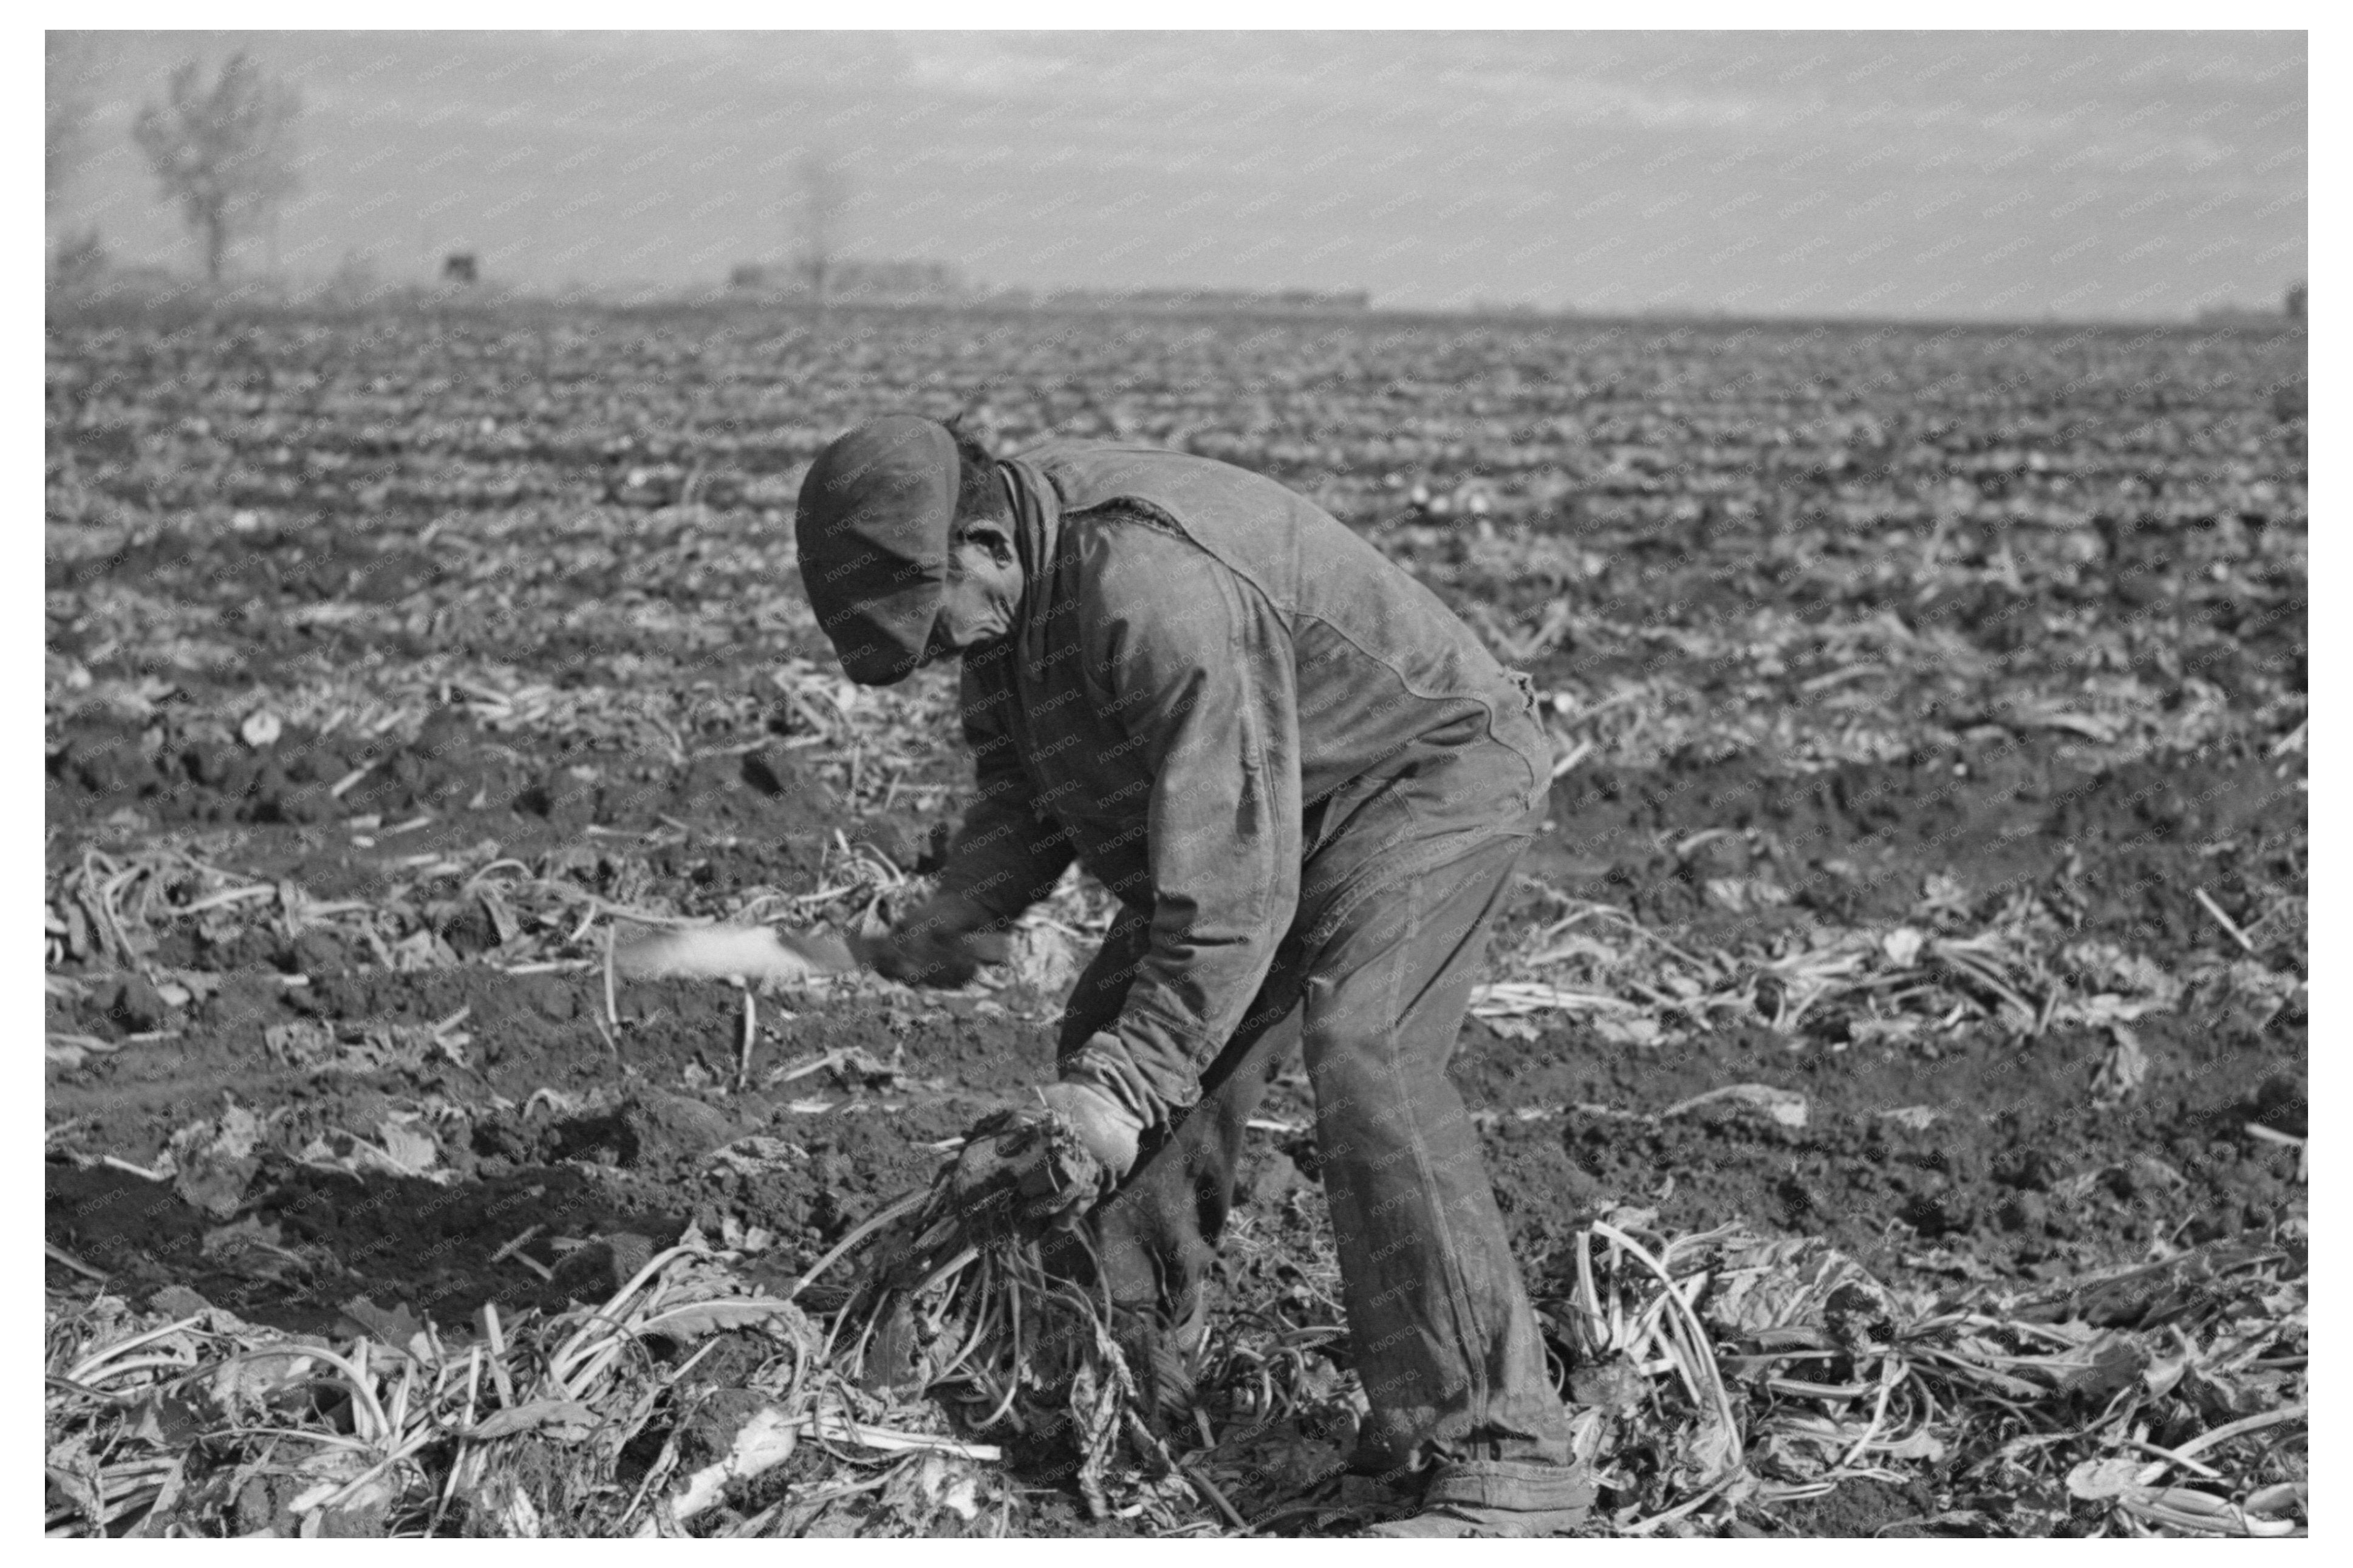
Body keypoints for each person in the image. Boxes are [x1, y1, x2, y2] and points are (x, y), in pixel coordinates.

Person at [794, 414, 1593, 1537]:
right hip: (1293, 797)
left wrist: (1121, 1090)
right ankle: (1141, 1389)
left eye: (931, 626)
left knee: (1366, 1049)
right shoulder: (1007, 616)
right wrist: (965, 907)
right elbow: (1025, 795)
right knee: (1120, 1027)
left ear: (981, 542)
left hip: (1428, 771)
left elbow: (1226, 890)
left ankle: (1505, 1454)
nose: (937, 654)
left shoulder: (1147, 586)